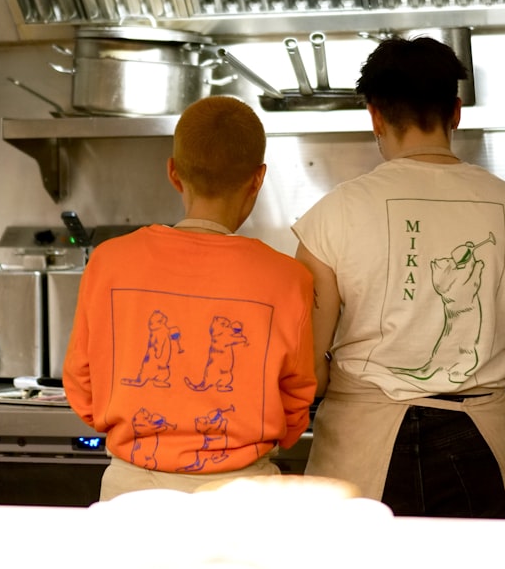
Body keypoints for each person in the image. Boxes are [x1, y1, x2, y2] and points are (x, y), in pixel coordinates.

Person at [291, 36, 505, 518]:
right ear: (456, 112)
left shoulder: (332, 215)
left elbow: (308, 373)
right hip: (481, 446)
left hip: (361, 449)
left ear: (375, 117)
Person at [64, 95, 317, 500]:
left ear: (173, 172)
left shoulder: (109, 261)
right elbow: (297, 398)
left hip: (132, 492)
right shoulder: (289, 278)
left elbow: (81, 383)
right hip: (244, 496)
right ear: (258, 178)